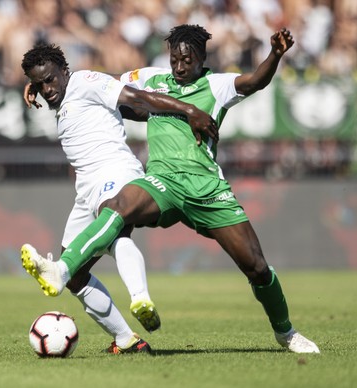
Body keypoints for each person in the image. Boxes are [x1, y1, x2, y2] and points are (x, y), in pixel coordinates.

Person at [22, 25, 320, 354]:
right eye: (174, 60)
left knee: (257, 268)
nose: (179, 67)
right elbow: (103, 87)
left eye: (187, 60)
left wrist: (275, 55)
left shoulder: (217, 85)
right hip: (162, 181)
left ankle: (286, 332)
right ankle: (66, 272)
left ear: (202, 58)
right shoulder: (151, 78)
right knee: (119, 208)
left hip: (207, 188)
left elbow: (254, 81)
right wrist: (40, 85)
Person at [20, 43, 217, 354]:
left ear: (65, 72)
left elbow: (139, 99)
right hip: (86, 187)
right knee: (78, 277)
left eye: (51, 80)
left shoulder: (85, 82)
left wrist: (189, 110)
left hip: (115, 171)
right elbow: (46, 81)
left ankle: (139, 295)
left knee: (115, 232)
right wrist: (34, 83)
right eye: (40, 84)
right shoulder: (57, 92)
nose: (48, 89)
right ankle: (127, 340)